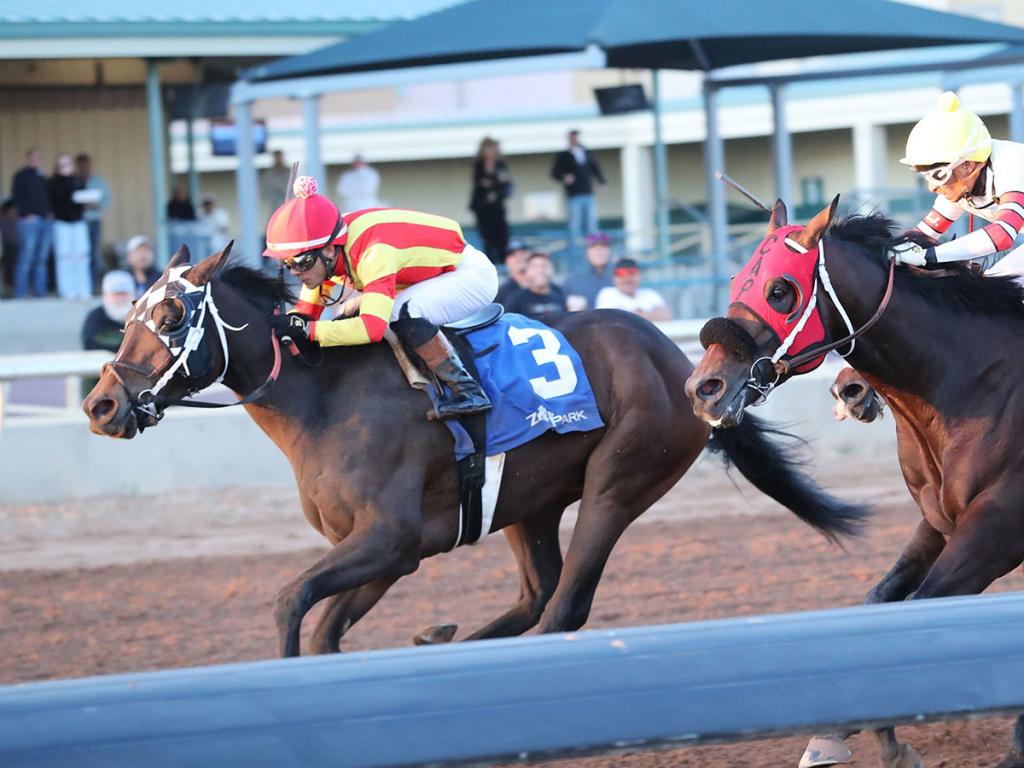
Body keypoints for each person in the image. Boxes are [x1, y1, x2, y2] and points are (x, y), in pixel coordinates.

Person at [264, 175, 497, 419]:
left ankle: (468, 390)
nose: (294, 271)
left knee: (400, 311)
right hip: (427, 273)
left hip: (468, 275)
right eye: (286, 262)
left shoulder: (374, 254)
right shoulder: (325, 252)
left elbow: (370, 328)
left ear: (329, 250)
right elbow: (303, 315)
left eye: (301, 261)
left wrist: (311, 331)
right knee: (346, 311)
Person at [890, 91, 1024, 279]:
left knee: (998, 286)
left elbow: (1002, 235)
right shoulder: (961, 184)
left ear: (968, 165)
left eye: (937, 175)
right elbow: (921, 236)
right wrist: (887, 252)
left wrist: (928, 256)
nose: (932, 188)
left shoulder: (1011, 164)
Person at [551, 129, 605, 258]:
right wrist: (565, 176)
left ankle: (594, 251)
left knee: (592, 225)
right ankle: (575, 253)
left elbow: (595, 168)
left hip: (588, 193)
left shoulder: (586, 152)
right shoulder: (564, 155)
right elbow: (555, 172)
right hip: (574, 195)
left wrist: (602, 182)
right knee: (575, 226)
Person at [49, 153, 92, 299]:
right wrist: (66, 178)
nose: (66, 168)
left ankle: (83, 289)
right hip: (62, 223)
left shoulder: (78, 180)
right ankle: (67, 290)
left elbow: (82, 197)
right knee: (65, 258)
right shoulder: (53, 182)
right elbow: (60, 197)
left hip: (78, 222)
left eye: (68, 164)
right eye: (63, 164)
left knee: (81, 256)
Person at [11, 147, 52, 298]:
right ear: (27, 159)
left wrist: (49, 214)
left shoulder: (42, 177)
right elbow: (17, 197)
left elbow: (48, 198)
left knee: (41, 259)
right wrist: (25, 214)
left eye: (38, 158)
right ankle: (20, 293)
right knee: (26, 257)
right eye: (33, 158)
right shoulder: (20, 176)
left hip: (45, 221)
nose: (36, 160)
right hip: (29, 221)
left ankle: (41, 293)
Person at [469, 137, 512, 264]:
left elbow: (504, 184)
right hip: (482, 207)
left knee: (501, 235)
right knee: (486, 237)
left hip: (497, 206)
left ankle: (503, 261)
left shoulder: (501, 165)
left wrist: (494, 183)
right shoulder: (479, 165)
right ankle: (490, 261)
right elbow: (479, 184)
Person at [595, 258, 671, 321]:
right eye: (621, 274)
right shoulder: (607, 294)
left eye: (632, 273)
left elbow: (666, 316)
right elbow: (605, 319)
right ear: (614, 278)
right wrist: (644, 315)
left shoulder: (650, 294)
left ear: (640, 276)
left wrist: (630, 315)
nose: (627, 278)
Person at [76, 153, 111, 283]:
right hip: (77, 223)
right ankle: (80, 282)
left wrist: (96, 205)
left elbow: (106, 200)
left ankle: (92, 282)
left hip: (94, 220)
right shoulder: (73, 181)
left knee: (93, 252)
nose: (83, 168)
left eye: (86, 165)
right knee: (79, 254)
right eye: (81, 166)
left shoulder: (98, 181)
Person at [82, 270, 134, 352]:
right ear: (105, 295)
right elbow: (91, 344)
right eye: (116, 294)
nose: (120, 299)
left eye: (124, 294)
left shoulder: (142, 317)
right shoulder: (95, 317)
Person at [504, 252, 568, 318]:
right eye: (535, 267)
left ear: (552, 269)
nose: (540, 271)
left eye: (544, 266)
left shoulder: (561, 293)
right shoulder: (516, 299)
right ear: (527, 271)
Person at [565, 231, 614, 311]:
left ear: (610, 250)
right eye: (594, 247)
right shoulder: (572, 281)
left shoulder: (622, 277)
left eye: (603, 247)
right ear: (586, 252)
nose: (599, 251)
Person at [495, 239, 531, 307]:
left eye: (523, 252)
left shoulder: (547, 288)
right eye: (513, 254)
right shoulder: (501, 292)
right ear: (507, 261)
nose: (519, 257)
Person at [261, 149, 292, 219]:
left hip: (288, 205)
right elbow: (266, 190)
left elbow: (292, 189)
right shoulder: (269, 174)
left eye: (279, 157)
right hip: (274, 206)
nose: (278, 159)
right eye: (276, 157)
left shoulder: (289, 172)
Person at [1, 198, 18, 296]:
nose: (15, 212)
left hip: (13, 249)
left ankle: (10, 290)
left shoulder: (16, 221)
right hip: (7, 249)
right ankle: (7, 291)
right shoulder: (3, 221)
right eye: (13, 210)